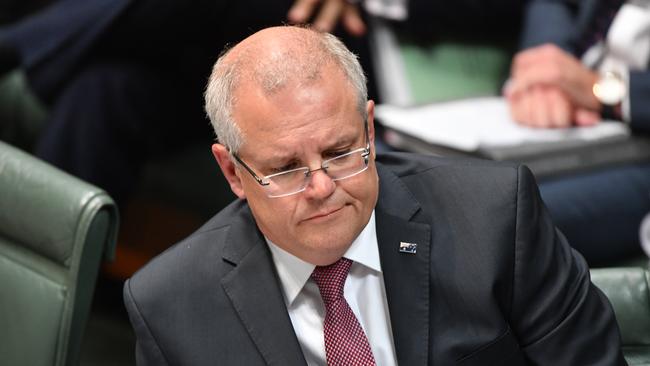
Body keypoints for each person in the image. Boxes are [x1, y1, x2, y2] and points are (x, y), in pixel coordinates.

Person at [123, 26, 625, 365]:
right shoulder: (171, 305)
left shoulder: (495, 218)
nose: (322, 188)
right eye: (287, 168)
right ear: (232, 171)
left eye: (341, 152)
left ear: (368, 126)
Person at [504, 0, 650, 265]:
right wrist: (546, 72)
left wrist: (612, 92)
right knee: (426, 177)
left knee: (501, 214)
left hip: (641, 144)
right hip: (578, 115)